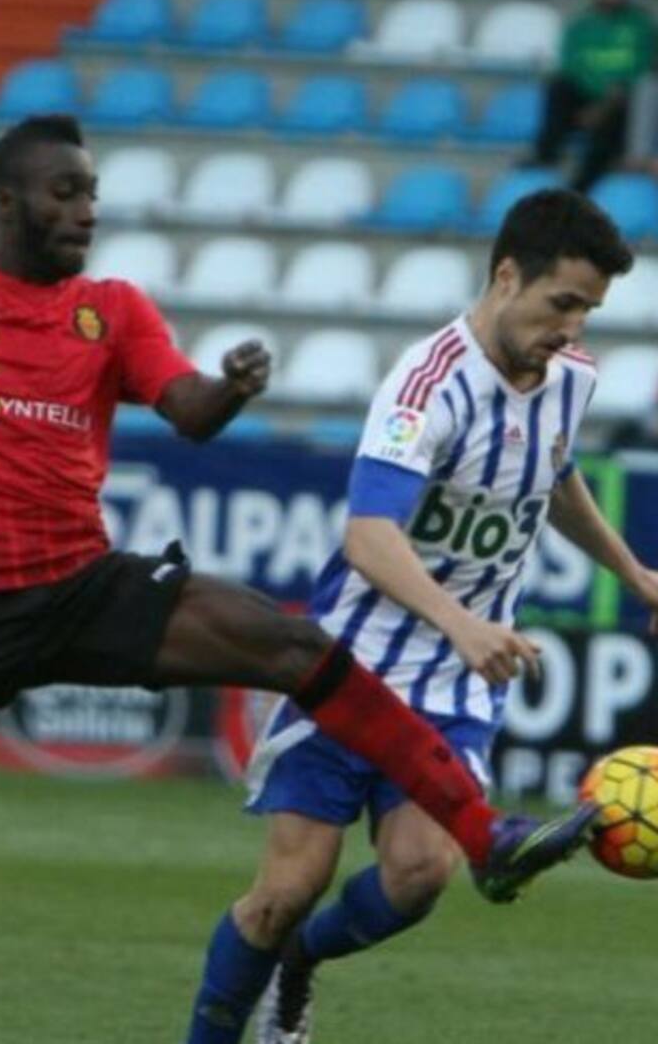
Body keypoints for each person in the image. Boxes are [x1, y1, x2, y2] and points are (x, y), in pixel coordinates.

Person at [0, 53, 597, 1044]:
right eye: (65, 192)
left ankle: (483, 834)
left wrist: (233, 386)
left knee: (289, 647)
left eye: (93, 194)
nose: (86, 210)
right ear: (6, 201)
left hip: (81, 586)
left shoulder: (110, 310)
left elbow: (188, 412)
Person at [182, 189, 658, 1044]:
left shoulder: (568, 380)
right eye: (563, 303)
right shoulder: (426, 385)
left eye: (589, 310)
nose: (575, 328)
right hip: (350, 666)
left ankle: (297, 968)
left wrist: (635, 573)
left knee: (420, 872)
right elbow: (369, 536)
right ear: (508, 275)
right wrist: (463, 623)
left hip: (450, 685)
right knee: (288, 889)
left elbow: (554, 477)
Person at [524, 0, 655, 193]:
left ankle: (581, 185)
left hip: (620, 100)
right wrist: (592, 105)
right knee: (558, 86)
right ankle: (546, 154)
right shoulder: (579, 26)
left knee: (616, 118)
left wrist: (604, 104)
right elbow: (571, 66)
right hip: (587, 99)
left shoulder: (641, 25)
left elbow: (644, 68)